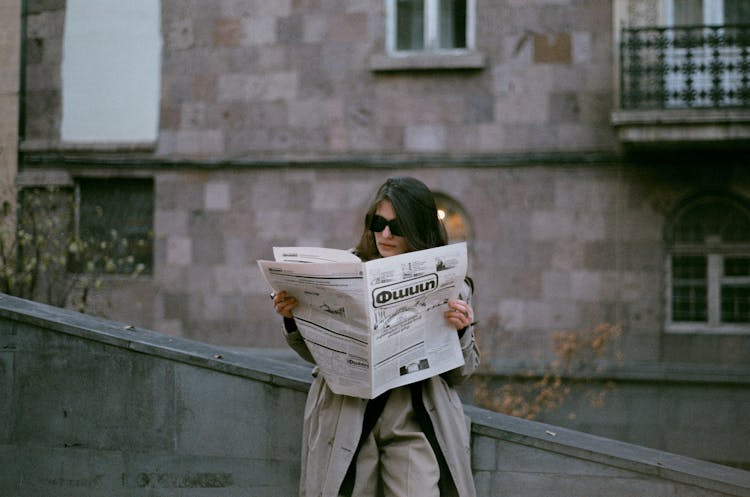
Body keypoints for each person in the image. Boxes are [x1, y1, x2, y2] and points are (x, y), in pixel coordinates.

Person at [271, 177, 479, 497]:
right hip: (349, 417)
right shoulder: (345, 271)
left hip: (414, 422)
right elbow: (318, 355)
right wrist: (293, 320)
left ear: (417, 228)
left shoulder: (451, 282)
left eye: (396, 226)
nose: (385, 234)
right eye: (378, 222)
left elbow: (462, 373)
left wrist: (461, 329)